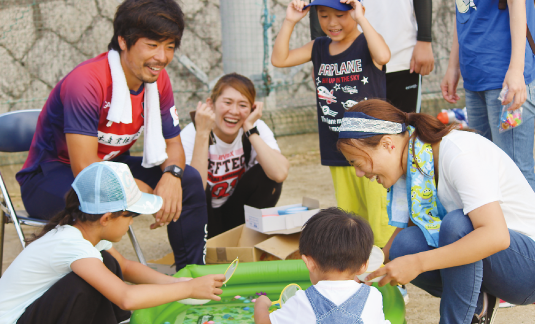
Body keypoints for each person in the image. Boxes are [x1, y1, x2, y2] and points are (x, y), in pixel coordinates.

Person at [15, 0, 207, 270]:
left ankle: (191, 275)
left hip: (108, 169)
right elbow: (85, 170)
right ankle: (107, 292)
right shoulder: (87, 82)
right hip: (52, 176)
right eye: (152, 45)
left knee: (188, 179)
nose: (162, 57)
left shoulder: (157, 80)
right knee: (92, 204)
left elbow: (173, 144)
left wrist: (172, 175)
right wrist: (139, 191)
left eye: (170, 46)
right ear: (123, 41)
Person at [337, 99, 535, 324]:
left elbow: (496, 236)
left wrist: (418, 263)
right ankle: (477, 305)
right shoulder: (415, 162)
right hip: (496, 262)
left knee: (456, 224)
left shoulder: (459, 155)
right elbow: (407, 234)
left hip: (527, 267)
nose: (359, 173)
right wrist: (364, 273)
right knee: (405, 245)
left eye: (357, 162)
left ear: (387, 144)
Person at [0, 162, 225, 324]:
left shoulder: (85, 231)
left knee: (108, 263)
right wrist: (189, 288)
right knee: (85, 284)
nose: (132, 223)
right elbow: (126, 297)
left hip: (34, 312)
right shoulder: (70, 244)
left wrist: (176, 282)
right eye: (131, 216)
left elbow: (126, 267)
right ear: (107, 218)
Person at [271, 0, 391, 247]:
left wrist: (361, 19)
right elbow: (279, 59)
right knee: (351, 219)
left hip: (372, 149)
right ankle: (358, 272)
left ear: (355, 12)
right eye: (324, 16)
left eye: (340, 15)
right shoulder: (319, 47)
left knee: (380, 218)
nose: (332, 23)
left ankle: (389, 276)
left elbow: (383, 55)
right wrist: (290, 21)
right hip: (338, 148)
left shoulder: (366, 43)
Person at [441, 0, 535, 191]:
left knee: (516, 172)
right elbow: (462, 10)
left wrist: (517, 70)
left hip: (505, 78)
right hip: (474, 75)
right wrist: (453, 65)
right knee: (485, 171)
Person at [180, 73, 289, 238]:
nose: (234, 111)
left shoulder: (255, 127)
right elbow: (193, 190)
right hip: (203, 217)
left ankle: (250, 235)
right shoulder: (191, 133)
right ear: (211, 104)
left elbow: (279, 173)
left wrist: (250, 129)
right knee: (193, 182)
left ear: (253, 109)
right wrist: (203, 134)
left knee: (268, 175)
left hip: (235, 214)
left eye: (243, 105)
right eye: (227, 102)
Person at [254, 207, 390, 324]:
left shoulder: (302, 300)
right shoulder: (373, 296)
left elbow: (263, 322)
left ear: (309, 263)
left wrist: (261, 304)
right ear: (364, 265)